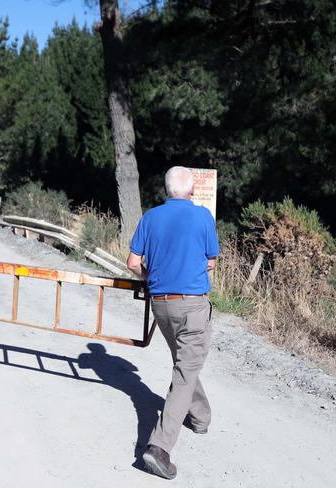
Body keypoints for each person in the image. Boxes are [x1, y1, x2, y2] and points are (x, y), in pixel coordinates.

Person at [126, 166, 219, 480]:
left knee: (185, 364)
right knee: (185, 369)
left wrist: (151, 278)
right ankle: (159, 448)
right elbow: (211, 262)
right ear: (191, 190)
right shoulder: (203, 216)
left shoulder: (150, 217)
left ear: (166, 190)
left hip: (161, 305)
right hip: (191, 305)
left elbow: (133, 263)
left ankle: (200, 417)